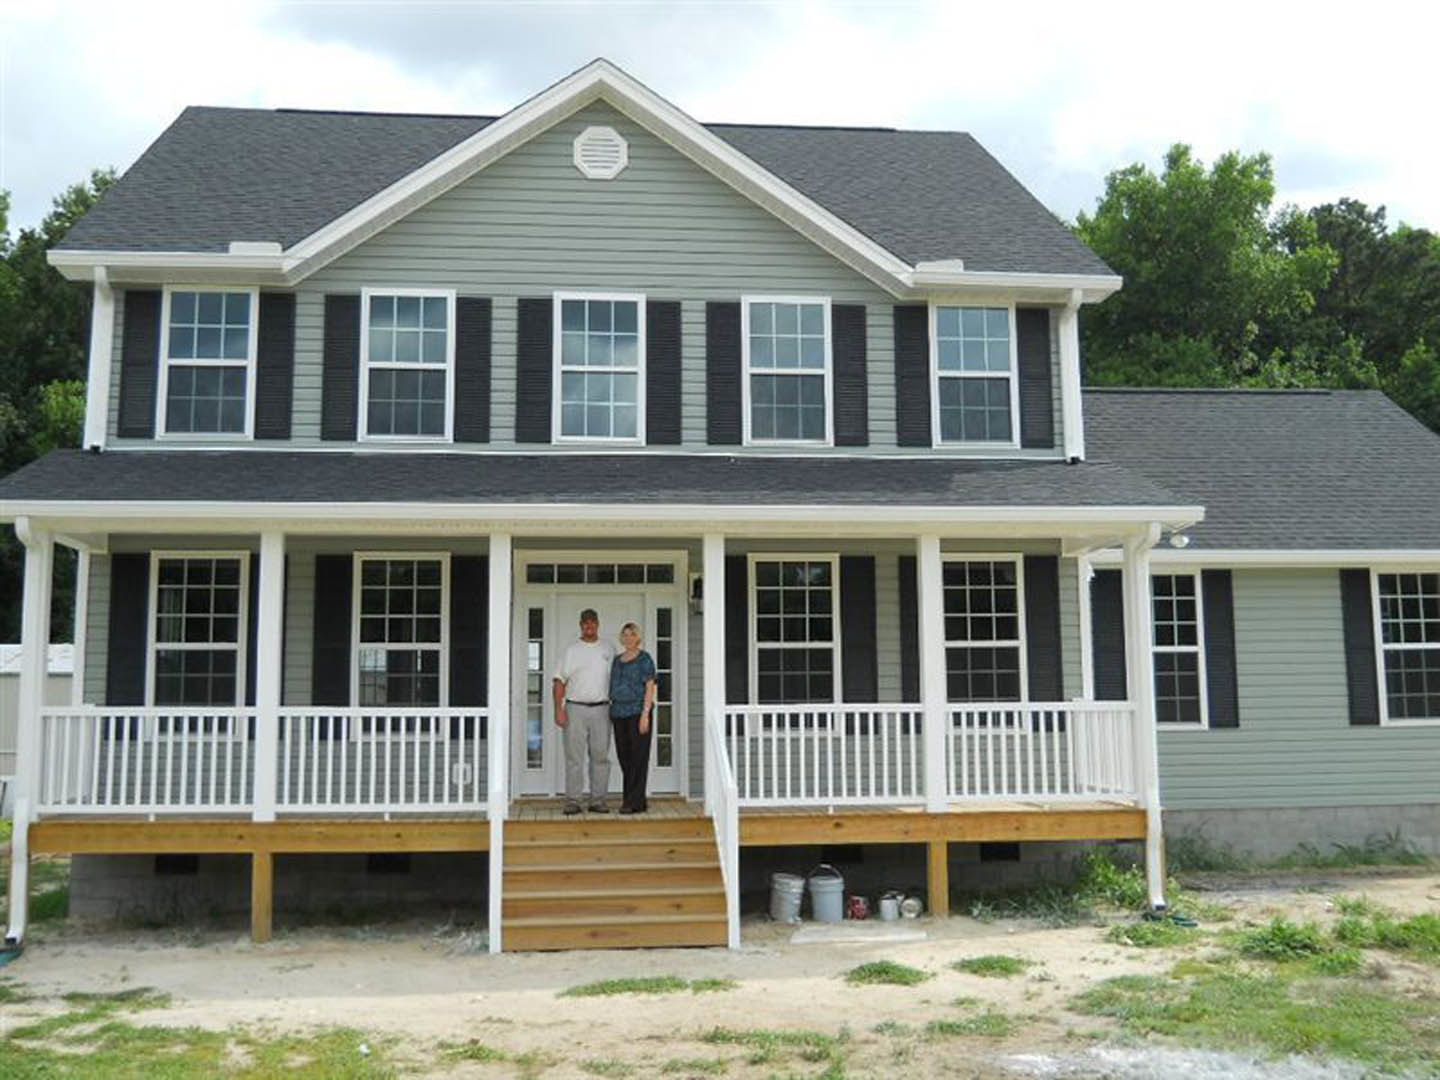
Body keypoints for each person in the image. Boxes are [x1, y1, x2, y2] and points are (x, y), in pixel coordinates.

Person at [552, 608, 616, 814]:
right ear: (580, 625)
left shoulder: (608, 649)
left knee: (600, 757)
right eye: (585, 622)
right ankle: (573, 800)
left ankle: (598, 800)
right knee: (574, 758)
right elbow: (559, 680)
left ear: (598, 624)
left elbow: (618, 678)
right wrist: (558, 710)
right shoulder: (571, 650)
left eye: (592, 622)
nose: (589, 626)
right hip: (575, 709)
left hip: (602, 710)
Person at [609, 622, 658, 815]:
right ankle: (637, 799)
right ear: (622, 638)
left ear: (638, 638)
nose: (629, 637)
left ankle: (632, 802)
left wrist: (645, 714)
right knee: (624, 757)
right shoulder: (616, 660)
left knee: (638, 757)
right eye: (625, 634)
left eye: (632, 634)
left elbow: (649, 687)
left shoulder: (645, 659)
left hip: (638, 713)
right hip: (618, 714)